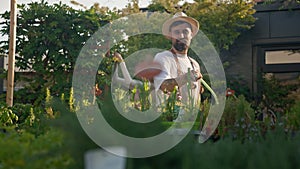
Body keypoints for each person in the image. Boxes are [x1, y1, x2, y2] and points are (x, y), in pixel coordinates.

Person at [153, 12, 203, 119]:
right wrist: (187, 77)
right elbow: (163, 86)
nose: (181, 36)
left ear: (191, 35)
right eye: (177, 32)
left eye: (185, 32)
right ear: (170, 36)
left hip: (190, 121)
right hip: (168, 121)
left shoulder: (194, 64)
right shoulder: (163, 58)